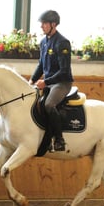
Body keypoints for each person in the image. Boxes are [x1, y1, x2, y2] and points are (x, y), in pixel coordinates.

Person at [29, 10, 74, 152]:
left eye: (44, 24)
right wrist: (31, 80)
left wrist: (46, 82)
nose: (41, 26)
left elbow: (64, 71)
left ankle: (59, 140)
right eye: (41, 24)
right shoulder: (43, 42)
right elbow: (41, 65)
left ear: (53, 24)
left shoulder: (62, 43)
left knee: (49, 105)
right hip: (48, 82)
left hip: (62, 83)